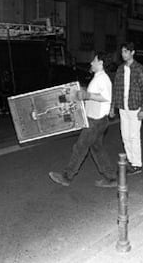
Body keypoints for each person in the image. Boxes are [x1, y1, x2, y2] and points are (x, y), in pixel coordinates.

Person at [49, 51, 117, 188]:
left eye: (94, 60)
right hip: (98, 120)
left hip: (95, 121)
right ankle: (111, 178)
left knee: (80, 147)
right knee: (97, 148)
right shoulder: (99, 77)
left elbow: (105, 97)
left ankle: (67, 177)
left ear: (101, 63)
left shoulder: (102, 78)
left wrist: (87, 94)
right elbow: (96, 94)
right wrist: (82, 91)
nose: (91, 63)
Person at [110, 42, 143, 175]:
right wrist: (112, 107)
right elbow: (116, 89)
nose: (123, 54)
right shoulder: (120, 69)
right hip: (123, 107)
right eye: (122, 52)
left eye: (126, 52)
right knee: (125, 136)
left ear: (132, 53)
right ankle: (130, 161)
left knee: (134, 136)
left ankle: (137, 164)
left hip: (135, 108)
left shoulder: (140, 69)